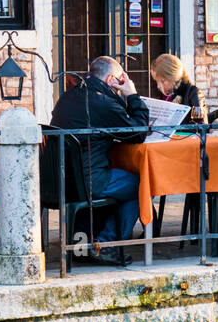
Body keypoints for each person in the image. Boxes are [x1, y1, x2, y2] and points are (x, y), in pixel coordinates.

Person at [49, 55, 148, 267]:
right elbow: (138, 132)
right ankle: (105, 245)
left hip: (58, 181)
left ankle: (86, 242)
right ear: (113, 78)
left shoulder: (67, 97)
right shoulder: (102, 103)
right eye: (122, 80)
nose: (123, 84)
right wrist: (132, 95)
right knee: (142, 184)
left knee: (120, 179)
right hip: (89, 182)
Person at [151, 53, 207, 124]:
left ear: (172, 77)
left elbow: (200, 126)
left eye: (162, 81)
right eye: (157, 81)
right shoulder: (166, 94)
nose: (158, 86)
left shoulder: (194, 93)